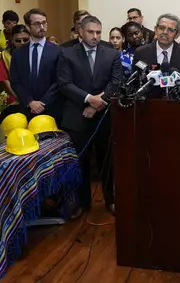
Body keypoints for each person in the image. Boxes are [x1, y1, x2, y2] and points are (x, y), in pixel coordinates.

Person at [57, 15, 122, 216]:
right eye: (91, 32)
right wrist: (87, 99)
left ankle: (110, 200)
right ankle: (83, 203)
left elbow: (116, 83)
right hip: (77, 117)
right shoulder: (66, 54)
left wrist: (95, 104)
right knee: (80, 162)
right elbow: (65, 84)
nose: (95, 36)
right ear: (80, 32)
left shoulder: (111, 54)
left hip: (103, 117)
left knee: (107, 161)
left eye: (98, 32)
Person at [10, 8, 63, 121]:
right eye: (37, 24)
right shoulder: (18, 53)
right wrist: (29, 102)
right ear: (28, 27)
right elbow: (15, 81)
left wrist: (43, 103)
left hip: (51, 108)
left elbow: (60, 80)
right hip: (27, 108)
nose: (42, 27)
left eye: (44, 23)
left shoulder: (58, 51)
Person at [133, 13, 180, 92]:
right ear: (155, 29)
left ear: (177, 34)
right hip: (149, 101)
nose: (165, 32)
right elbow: (134, 84)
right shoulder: (141, 52)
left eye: (170, 30)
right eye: (161, 28)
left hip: (177, 102)